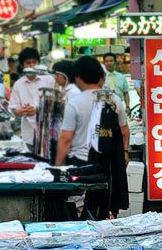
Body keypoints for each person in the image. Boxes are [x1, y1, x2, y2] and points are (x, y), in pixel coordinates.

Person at [55, 55, 130, 218]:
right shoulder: (113, 98)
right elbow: (124, 130)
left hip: (80, 163)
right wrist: (125, 152)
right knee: (103, 203)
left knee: (79, 206)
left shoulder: (75, 102)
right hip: (106, 162)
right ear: (100, 77)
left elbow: (66, 138)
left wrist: (57, 165)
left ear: (78, 78)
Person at [8, 48, 55, 150]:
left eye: (34, 62)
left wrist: (37, 110)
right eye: (28, 63)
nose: (31, 65)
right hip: (28, 133)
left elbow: (55, 105)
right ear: (22, 65)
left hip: (49, 132)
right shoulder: (18, 84)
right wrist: (21, 111)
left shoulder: (49, 80)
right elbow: (14, 108)